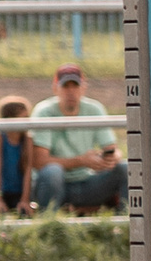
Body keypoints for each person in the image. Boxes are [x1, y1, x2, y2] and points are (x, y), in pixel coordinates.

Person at [31, 62, 125, 213]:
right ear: (55, 88)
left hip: (87, 182)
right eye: (65, 86)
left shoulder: (95, 109)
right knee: (53, 172)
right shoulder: (44, 112)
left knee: (125, 168)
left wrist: (109, 158)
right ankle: (49, 224)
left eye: (75, 86)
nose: (71, 91)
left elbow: (113, 149)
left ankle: (127, 224)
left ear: (83, 87)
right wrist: (81, 161)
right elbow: (39, 161)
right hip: (55, 184)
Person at [0, 95, 35, 213]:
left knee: (25, 212)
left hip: (18, 192)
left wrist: (25, 199)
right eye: (23, 117)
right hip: (0, 191)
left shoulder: (27, 139)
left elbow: (28, 169)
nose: (27, 121)